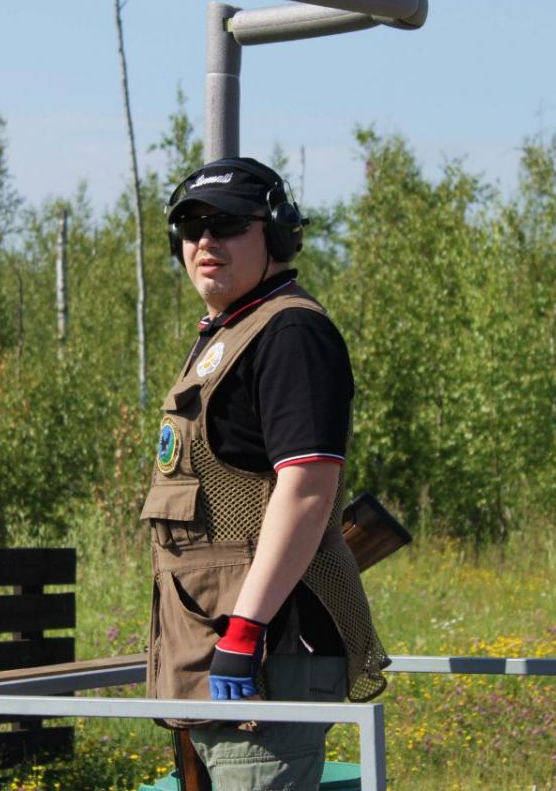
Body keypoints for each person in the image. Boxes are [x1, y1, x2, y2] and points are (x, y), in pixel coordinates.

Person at [143, 157, 387, 790]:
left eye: (226, 224)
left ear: (276, 233)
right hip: (221, 639)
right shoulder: (233, 331)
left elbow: (306, 489)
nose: (205, 241)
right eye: (190, 228)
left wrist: (245, 630)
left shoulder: (290, 332)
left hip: (268, 649)